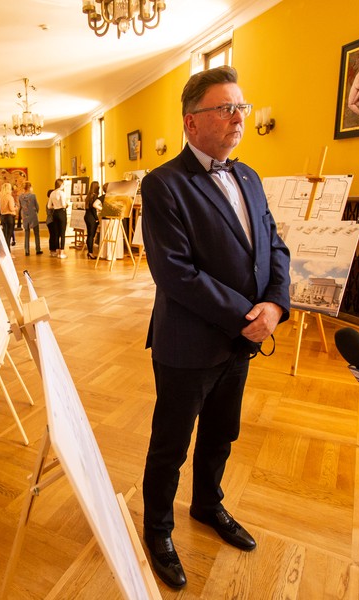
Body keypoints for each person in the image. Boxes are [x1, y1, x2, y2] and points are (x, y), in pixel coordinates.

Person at [140, 66, 291, 590]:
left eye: (241, 107)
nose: (238, 118)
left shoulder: (249, 176)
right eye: (225, 108)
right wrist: (247, 316)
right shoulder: (163, 184)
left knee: (222, 433)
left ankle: (208, 505)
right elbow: (176, 273)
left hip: (241, 341)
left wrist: (275, 305)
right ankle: (157, 529)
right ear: (191, 122)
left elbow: (274, 246)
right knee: (171, 443)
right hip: (188, 342)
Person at [18, 181, 42, 256]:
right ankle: (38, 249)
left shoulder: (20, 197)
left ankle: (27, 250)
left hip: (25, 216)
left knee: (26, 233)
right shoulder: (33, 196)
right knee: (36, 233)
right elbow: (37, 206)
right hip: (33, 216)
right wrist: (36, 211)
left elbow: (20, 207)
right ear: (29, 187)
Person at [47, 178, 68, 258]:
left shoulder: (52, 193)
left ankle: (56, 251)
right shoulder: (62, 193)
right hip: (62, 213)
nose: (63, 186)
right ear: (61, 185)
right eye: (63, 184)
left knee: (56, 233)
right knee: (62, 233)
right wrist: (66, 204)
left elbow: (49, 206)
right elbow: (63, 205)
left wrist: (55, 206)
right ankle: (61, 252)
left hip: (55, 213)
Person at [84, 181, 102, 259]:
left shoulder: (88, 196)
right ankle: (90, 253)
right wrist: (96, 219)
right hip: (91, 218)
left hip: (87, 216)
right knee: (91, 235)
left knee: (89, 235)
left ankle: (89, 251)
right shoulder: (94, 197)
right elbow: (93, 210)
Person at [0, 182, 18, 249]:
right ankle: (8, 252)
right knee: (9, 236)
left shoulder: (1, 198)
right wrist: (16, 208)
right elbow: (11, 208)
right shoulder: (9, 197)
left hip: (3, 217)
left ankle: (7, 251)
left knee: (5, 235)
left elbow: (1, 209)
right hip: (9, 217)